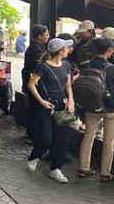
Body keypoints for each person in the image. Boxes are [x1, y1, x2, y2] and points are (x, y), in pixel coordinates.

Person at [27, 38, 75, 183]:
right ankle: (35, 156)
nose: (69, 50)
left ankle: (56, 168)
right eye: (67, 48)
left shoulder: (66, 65)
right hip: (46, 106)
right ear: (61, 51)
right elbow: (31, 84)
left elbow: (68, 86)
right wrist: (41, 101)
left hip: (62, 106)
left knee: (61, 138)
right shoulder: (43, 66)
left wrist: (71, 100)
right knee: (46, 138)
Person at [78, 37, 114, 182]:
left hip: (91, 106)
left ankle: (84, 169)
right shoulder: (113, 68)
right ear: (110, 50)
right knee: (108, 141)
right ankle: (105, 173)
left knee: (88, 137)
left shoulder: (84, 65)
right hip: (110, 109)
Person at [22, 24, 50, 142]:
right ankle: (33, 134)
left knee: (33, 108)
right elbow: (38, 69)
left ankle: (31, 133)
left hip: (29, 81)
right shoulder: (37, 50)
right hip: (36, 84)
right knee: (35, 109)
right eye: (46, 34)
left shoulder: (35, 47)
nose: (48, 37)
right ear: (39, 36)